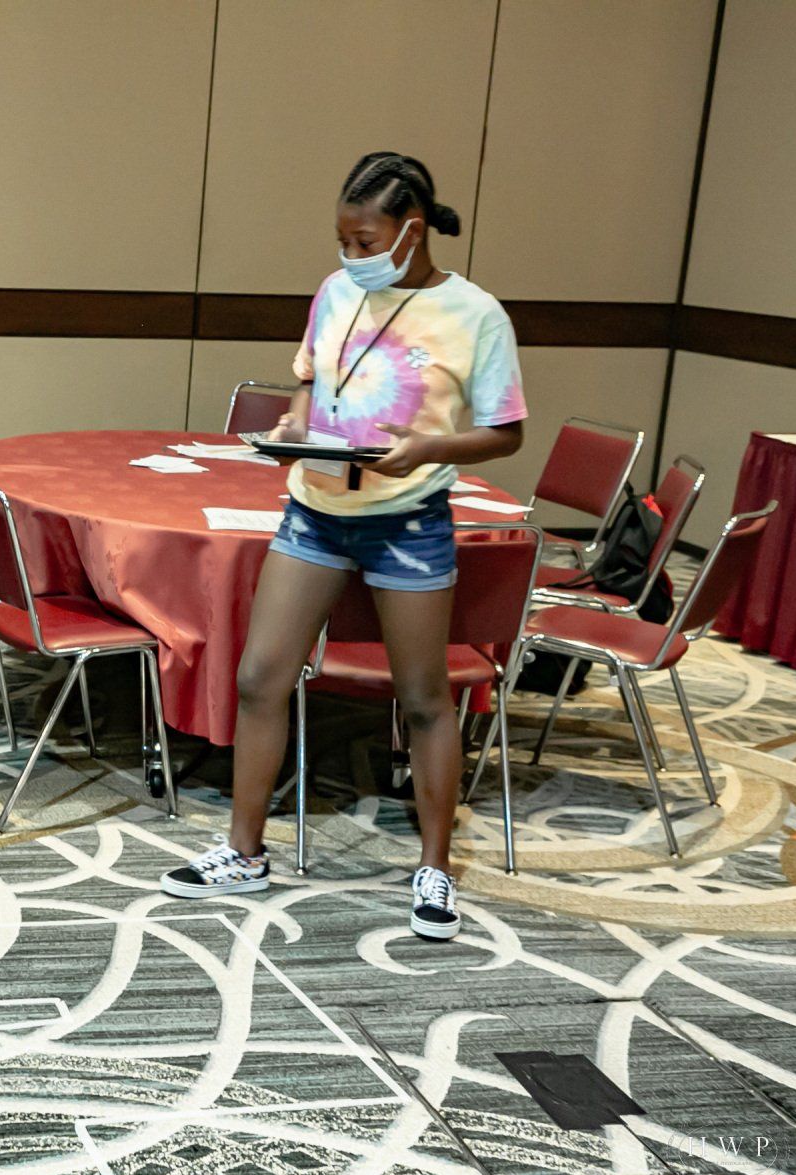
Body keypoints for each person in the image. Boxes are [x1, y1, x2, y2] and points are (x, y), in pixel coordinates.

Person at [160, 152, 526, 941]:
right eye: (343, 241)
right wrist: (297, 421)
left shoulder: (475, 314)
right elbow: (310, 376)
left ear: (412, 231)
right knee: (259, 677)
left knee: (423, 698)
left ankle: (434, 868)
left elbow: (506, 432)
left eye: (365, 242)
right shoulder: (335, 292)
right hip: (316, 509)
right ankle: (244, 852)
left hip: (409, 520)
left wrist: (428, 448)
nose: (351, 256)